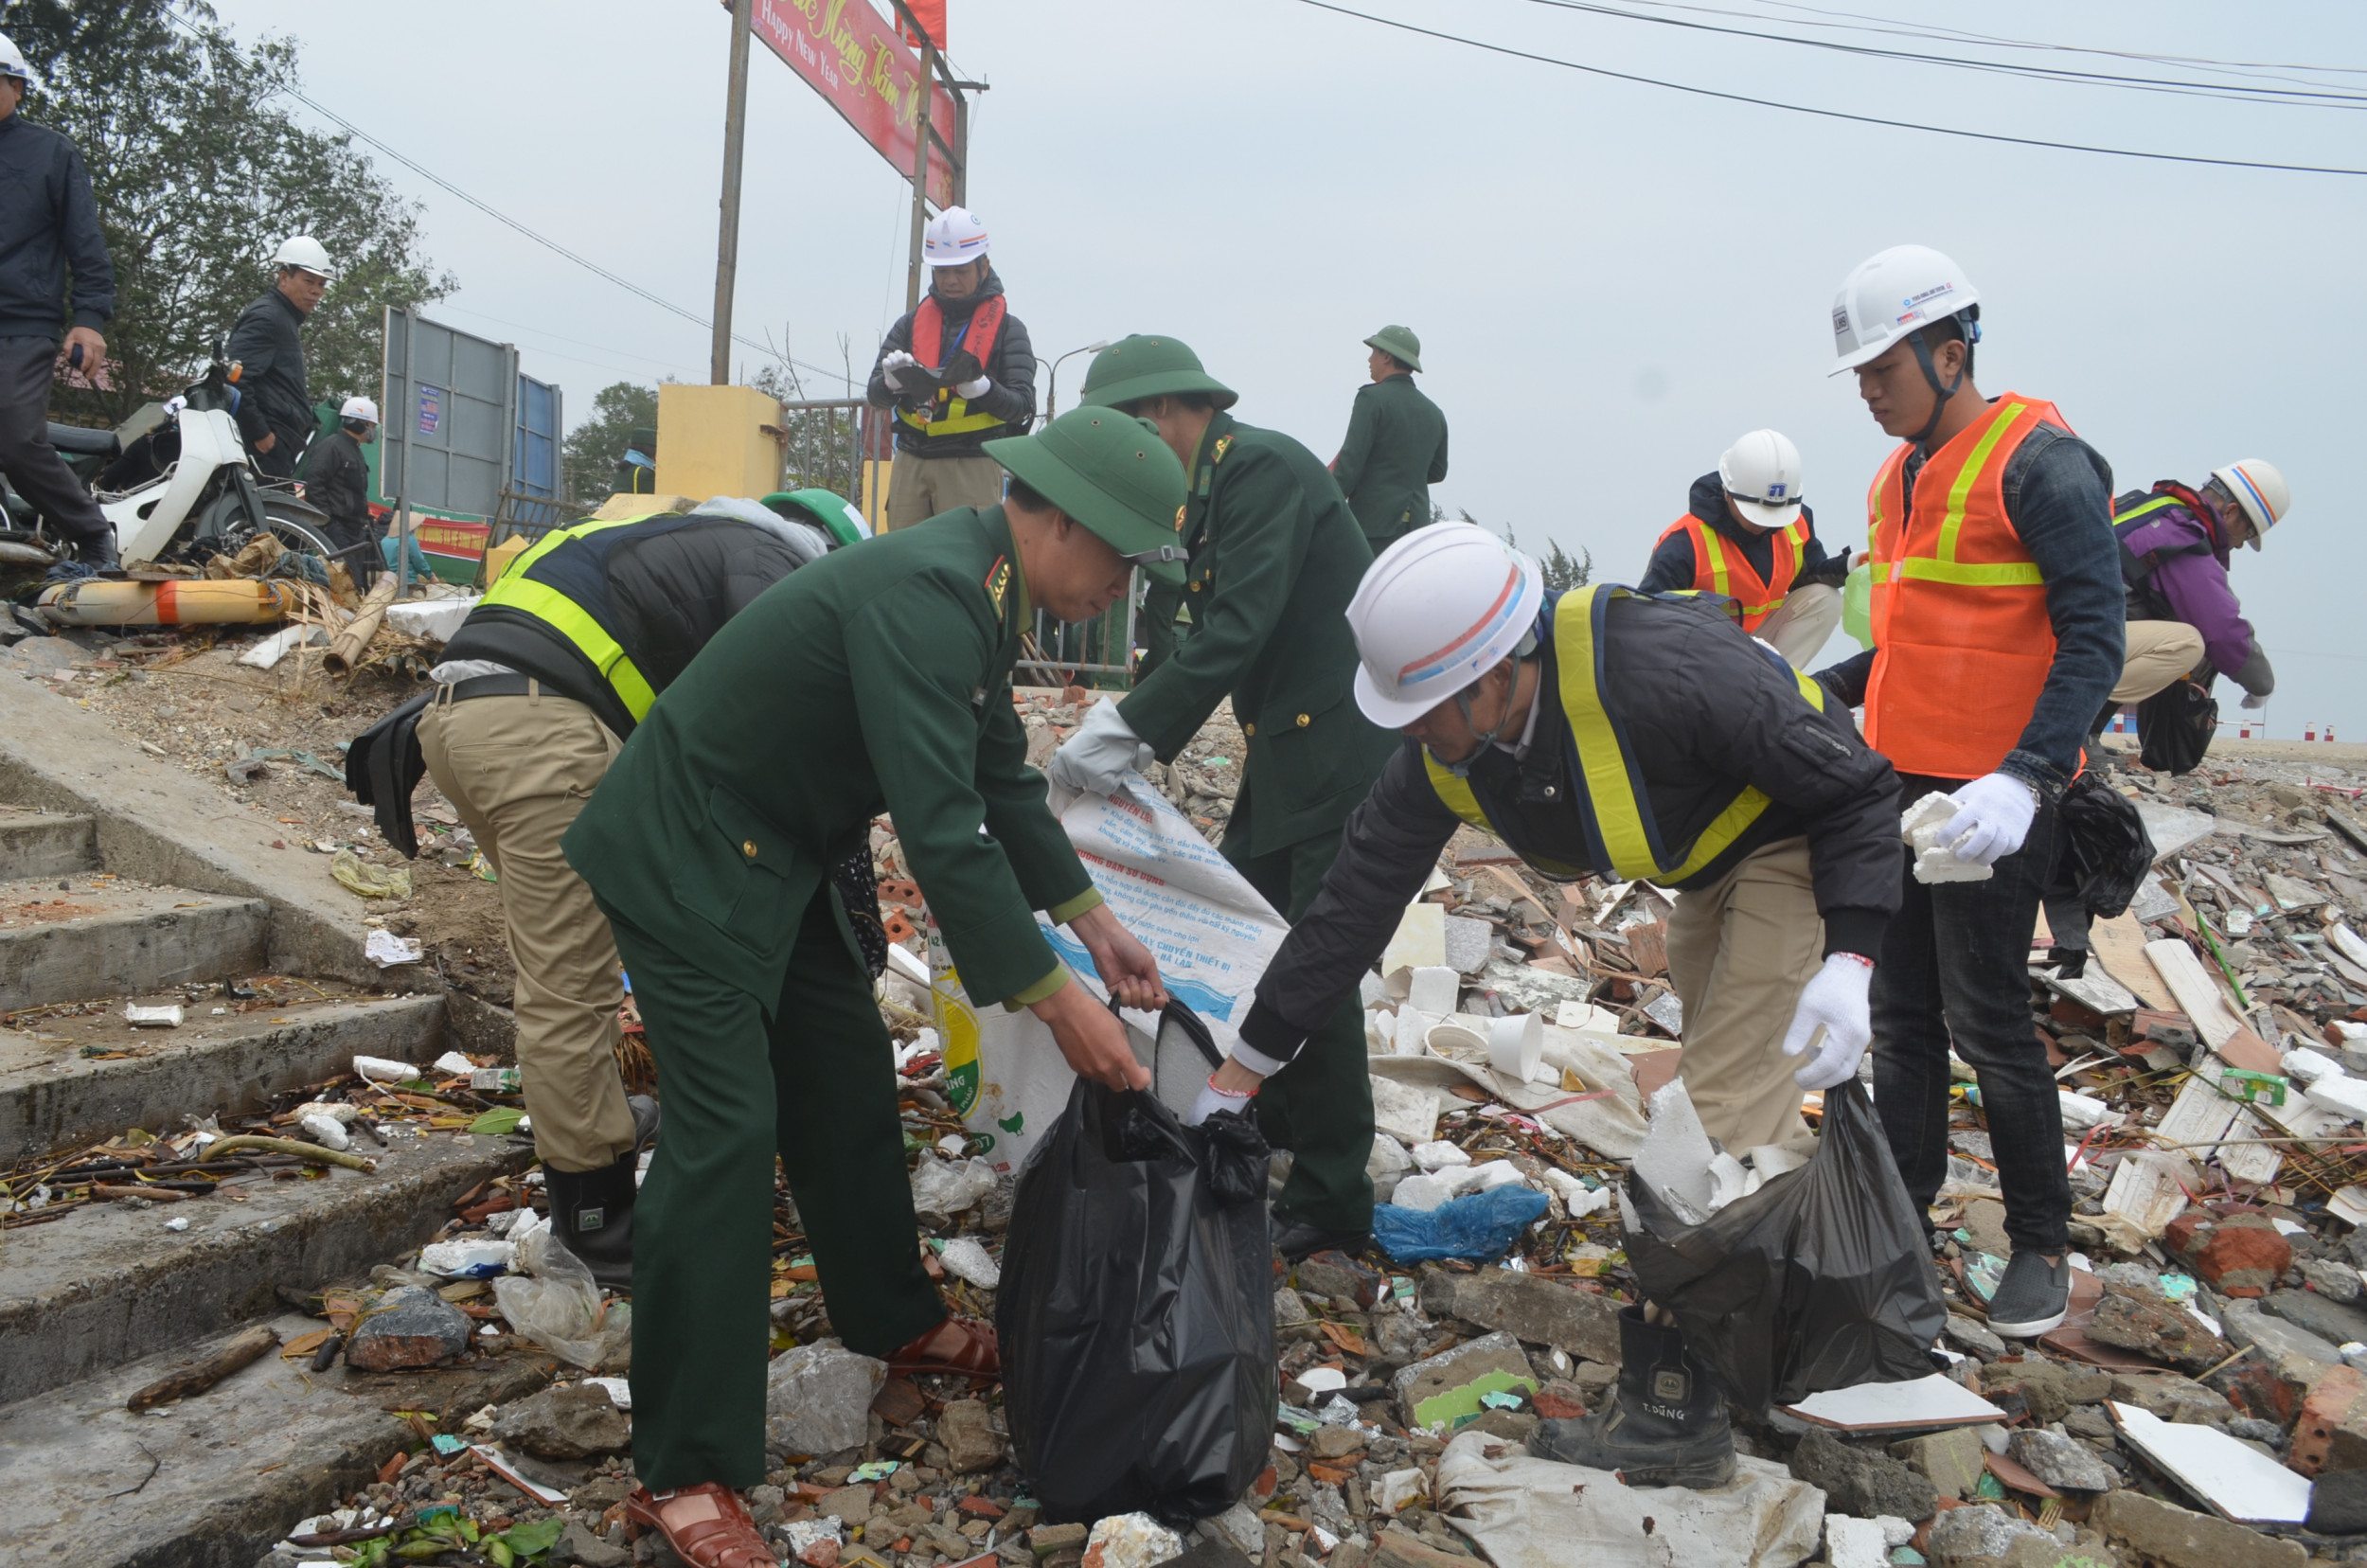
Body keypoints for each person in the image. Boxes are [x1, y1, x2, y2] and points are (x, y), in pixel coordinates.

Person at [561, 409, 1182, 1567]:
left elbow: (1000, 778)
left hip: (779, 856)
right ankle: (683, 1469)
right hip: (686, 848)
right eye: (1119, 555)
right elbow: (944, 836)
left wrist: (1094, 925)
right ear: (1049, 518)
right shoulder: (929, 593)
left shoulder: (987, 595)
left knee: (845, 1075)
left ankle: (896, 1321)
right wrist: (1057, 1000)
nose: (1122, 584)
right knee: (728, 1133)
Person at [1211, 524, 1899, 1484]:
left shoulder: (1666, 671)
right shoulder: (1448, 753)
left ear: (1495, 671)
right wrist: (1241, 1071)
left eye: (1425, 708)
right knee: (1738, 1112)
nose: (1411, 731)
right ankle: (1777, 1328)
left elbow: (1858, 789)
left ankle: (1683, 1409)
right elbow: (1351, 907)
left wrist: (1854, 954)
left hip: (1800, 843)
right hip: (1707, 871)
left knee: (1718, 1115)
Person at [354, 491, 871, 1292]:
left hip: (462, 724)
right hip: (545, 737)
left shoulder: (665, 532)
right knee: (568, 985)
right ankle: (594, 1217)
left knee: (598, 940)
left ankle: (597, 1117)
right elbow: (777, 714)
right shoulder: (772, 563)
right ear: (830, 553)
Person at [1817, 244, 2124, 1340]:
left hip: (1997, 797)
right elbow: (1908, 638)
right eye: (1856, 372)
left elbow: (2095, 641)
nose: (1867, 389)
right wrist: (1818, 689)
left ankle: (2040, 1241)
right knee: (1902, 1016)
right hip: (1901, 787)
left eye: (1881, 368)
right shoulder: (1895, 477)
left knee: (1989, 1018)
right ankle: (1902, 1206)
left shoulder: (2041, 463)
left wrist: (2030, 775)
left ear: (1951, 354)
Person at [1052, 334, 1401, 1259]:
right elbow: (1188, 621)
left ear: (1173, 411)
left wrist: (1130, 730)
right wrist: (1131, 723)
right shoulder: (1200, 494)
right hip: (1287, 747)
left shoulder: (1262, 471)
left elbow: (1236, 627)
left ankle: (1333, 1195)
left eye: (1129, 430)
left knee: (1313, 965)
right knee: (1245, 936)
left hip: (1339, 748)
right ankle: (1269, 1122)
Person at [0, 31, 118, 570]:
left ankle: (92, 534)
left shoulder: (51, 152)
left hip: (23, 323)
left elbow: (85, 241)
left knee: (14, 435)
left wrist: (89, 318)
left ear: (16, 86)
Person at [866, 206, 1036, 530]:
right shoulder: (909, 325)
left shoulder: (1008, 330)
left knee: (965, 564)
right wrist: (888, 384)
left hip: (970, 462)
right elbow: (875, 396)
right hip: (912, 461)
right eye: (942, 271)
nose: (950, 280)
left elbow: (1022, 406)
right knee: (905, 562)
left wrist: (985, 389)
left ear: (983, 266)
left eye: (960, 270)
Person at [1638, 429, 1847, 668]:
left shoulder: (1796, 523)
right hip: (1702, 656)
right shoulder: (1684, 544)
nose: (1764, 523)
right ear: (1728, 493)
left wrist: (1846, 566)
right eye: (1757, 514)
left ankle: (1778, 688)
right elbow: (1648, 619)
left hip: (1760, 650)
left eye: (1774, 514)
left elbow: (1808, 577)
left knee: (1825, 598)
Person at [2103, 458, 2287, 717]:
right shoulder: (2184, 538)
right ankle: (2077, 728)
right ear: (2231, 512)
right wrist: (2262, 685)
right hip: (2071, 642)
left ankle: (2087, 732)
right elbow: (2222, 629)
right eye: (2247, 534)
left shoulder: (2153, 509)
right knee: (2187, 644)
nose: (2241, 545)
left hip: (2056, 622)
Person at [1331, 325, 1448, 557]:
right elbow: (1437, 471)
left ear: (1386, 356)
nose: (1369, 359)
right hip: (1416, 530)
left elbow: (1350, 464)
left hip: (1371, 525)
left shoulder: (1371, 398)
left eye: (1373, 352)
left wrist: (1328, 504)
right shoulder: (1434, 412)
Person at [226, 236, 333, 479]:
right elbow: (236, 378)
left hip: (276, 444)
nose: (316, 291)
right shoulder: (269, 317)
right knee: (267, 514)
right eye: (309, 281)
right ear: (284, 278)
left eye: (322, 284)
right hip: (266, 446)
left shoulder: (283, 318)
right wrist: (260, 434)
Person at [297, 396, 380, 588]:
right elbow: (314, 482)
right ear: (359, 424)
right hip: (336, 526)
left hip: (354, 529)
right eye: (371, 425)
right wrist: (325, 519)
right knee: (347, 579)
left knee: (358, 580)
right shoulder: (332, 446)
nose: (372, 431)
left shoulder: (354, 450)